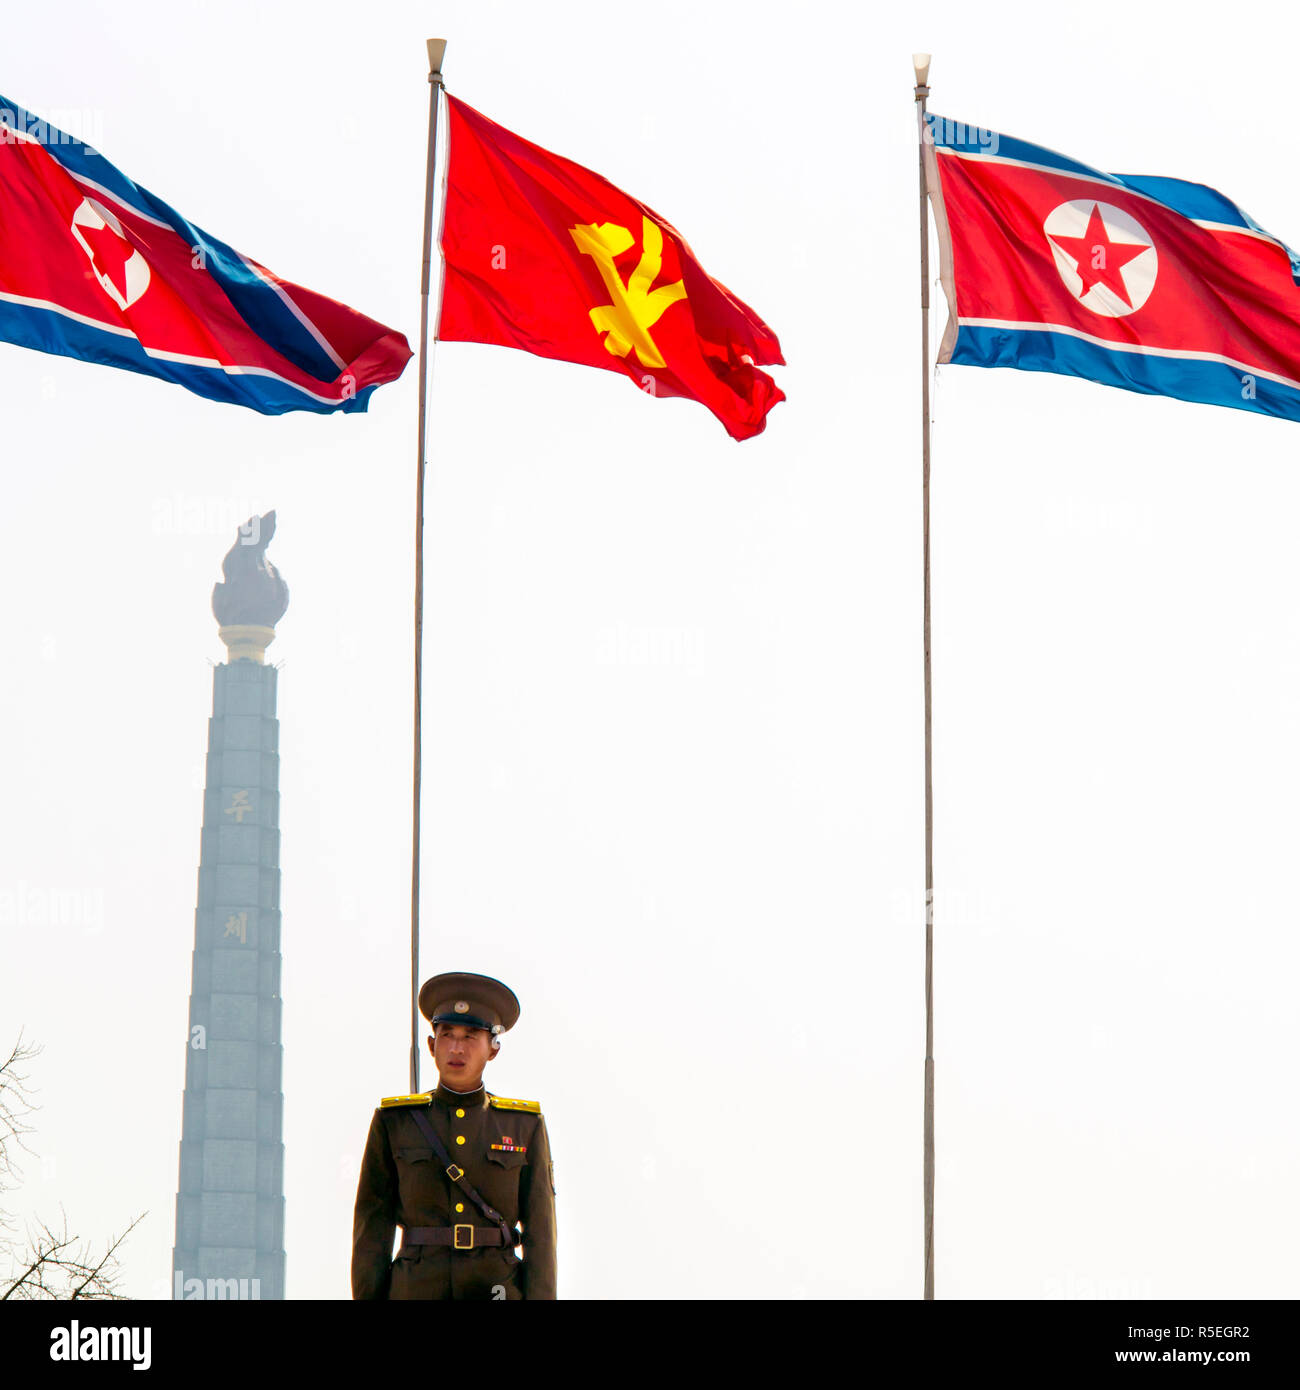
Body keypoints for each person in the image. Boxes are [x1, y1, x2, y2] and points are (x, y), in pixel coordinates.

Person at [351, 971, 557, 1299]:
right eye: (447, 1035)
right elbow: (371, 1233)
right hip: (415, 1289)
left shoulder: (523, 1126)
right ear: (432, 1045)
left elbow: (541, 1236)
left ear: (493, 1049)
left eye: (471, 1035)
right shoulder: (395, 1122)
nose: (457, 1048)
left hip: (495, 1288)